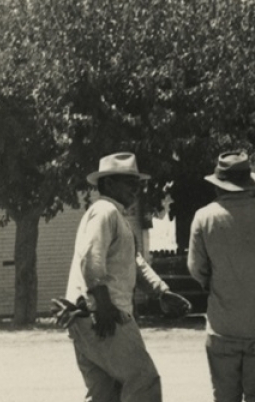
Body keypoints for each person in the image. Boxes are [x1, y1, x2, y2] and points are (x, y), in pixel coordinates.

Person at [61, 152, 187, 402]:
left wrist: (160, 290)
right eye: (127, 182)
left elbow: (135, 262)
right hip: (104, 314)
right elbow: (91, 258)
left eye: (137, 183)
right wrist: (103, 305)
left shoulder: (116, 216)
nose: (135, 189)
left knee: (105, 393)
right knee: (143, 381)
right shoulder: (105, 211)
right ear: (107, 184)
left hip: (89, 315)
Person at [188, 151, 255, 402]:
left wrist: (217, 282)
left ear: (218, 186)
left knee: (226, 398)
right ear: (249, 182)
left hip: (223, 327)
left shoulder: (204, 217)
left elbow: (197, 268)